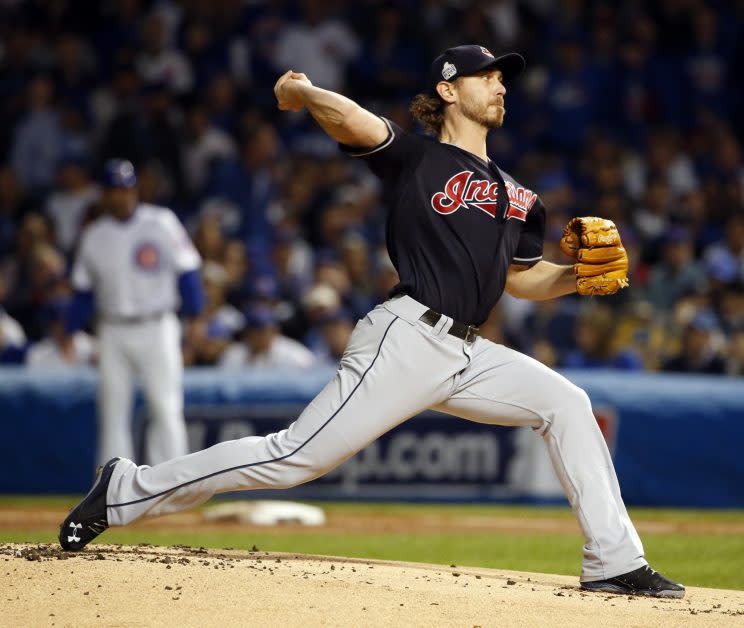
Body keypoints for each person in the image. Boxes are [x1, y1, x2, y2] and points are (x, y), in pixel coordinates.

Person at [59, 47, 683, 599]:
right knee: (295, 458)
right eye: (486, 76)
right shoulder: (420, 159)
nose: (500, 86)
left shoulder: (522, 196)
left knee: (568, 403)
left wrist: (577, 276)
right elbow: (353, 121)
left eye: (503, 79)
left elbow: (522, 279)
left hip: (470, 352)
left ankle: (614, 560)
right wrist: (305, 94)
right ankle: (125, 488)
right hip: (406, 336)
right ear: (447, 90)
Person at [65, 159, 204, 465]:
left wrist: (195, 317)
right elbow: (83, 293)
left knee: (165, 406)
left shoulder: (161, 221)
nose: (121, 196)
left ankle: (171, 484)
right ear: (104, 194)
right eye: (114, 190)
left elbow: (188, 271)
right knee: (112, 412)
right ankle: (111, 489)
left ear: (135, 190)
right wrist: (71, 331)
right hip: (112, 328)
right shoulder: (94, 235)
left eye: (126, 189)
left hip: (158, 325)